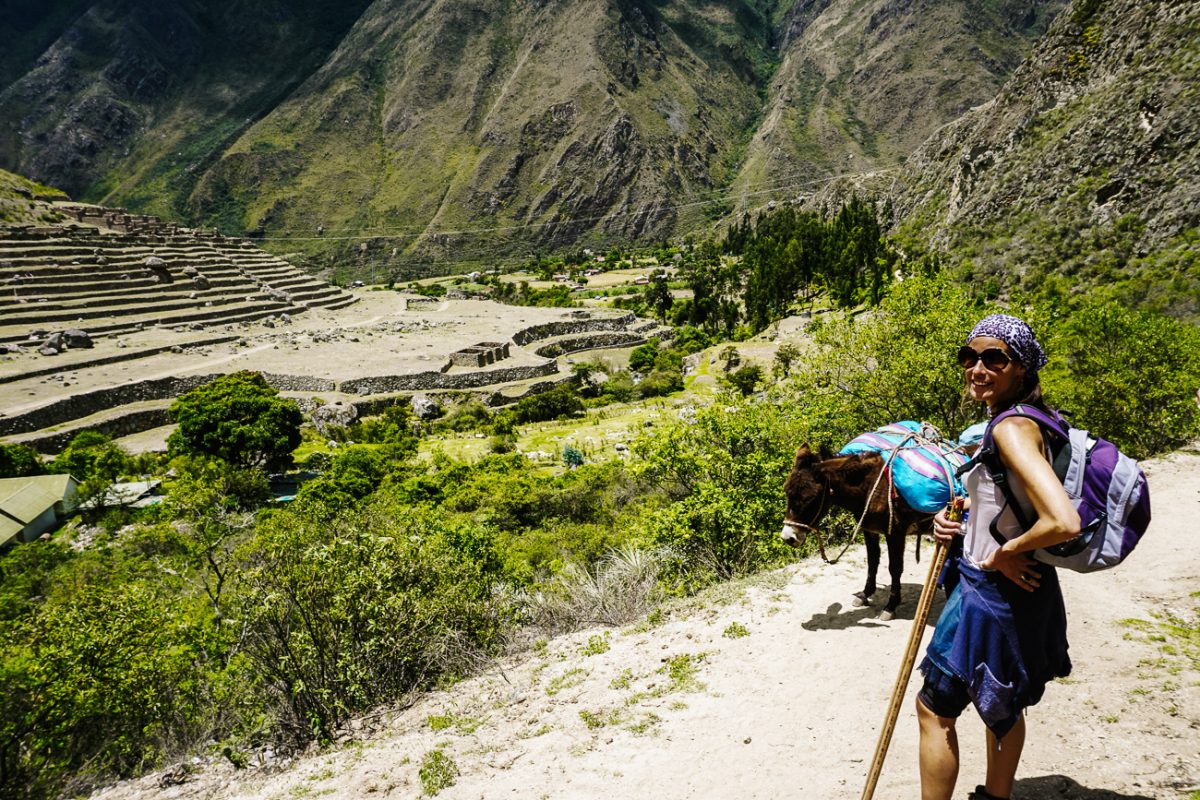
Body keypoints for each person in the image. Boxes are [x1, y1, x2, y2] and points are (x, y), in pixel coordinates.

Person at [917, 314, 1081, 800]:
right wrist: (961, 521)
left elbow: (1063, 520)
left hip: (990, 593)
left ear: (1021, 368)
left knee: (934, 709)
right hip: (1026, 589)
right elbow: (1016, 502)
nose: (977, 368)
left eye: (995, 358)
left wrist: (1002, 553)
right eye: (970, 357)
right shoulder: (1035, 419)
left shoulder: (1010, 428)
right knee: (1003, 704)